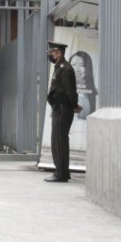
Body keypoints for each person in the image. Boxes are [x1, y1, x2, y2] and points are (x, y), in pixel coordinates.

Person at [45, 41, 82, 182]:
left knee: (59, 141)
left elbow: (70, 91)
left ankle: (60, 174)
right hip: (58, 108)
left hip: (62, 108)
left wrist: (74, 105)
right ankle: (61, 172)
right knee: (57, 140)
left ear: (59, 53)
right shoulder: (59, 67)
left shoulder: (65, 69)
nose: (50, 55)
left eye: (52, 52)